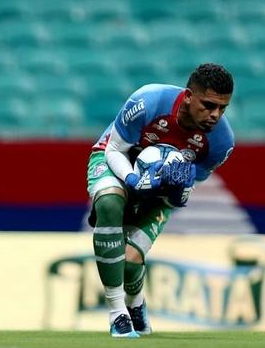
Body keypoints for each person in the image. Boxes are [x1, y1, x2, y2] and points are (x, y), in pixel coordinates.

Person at [86, 63, 234, 338]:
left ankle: (137, 303)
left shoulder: (221, 143)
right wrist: (132, 180)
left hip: (161, 187)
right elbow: (115, 149)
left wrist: (176, 194)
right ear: (189, 96)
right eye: (209, 105)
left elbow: (188, 184)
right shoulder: (148, 101)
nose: (215, 115)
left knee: (131, 262)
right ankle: (118, 313)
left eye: (222, 108)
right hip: (116, 160)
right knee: (109, 204)